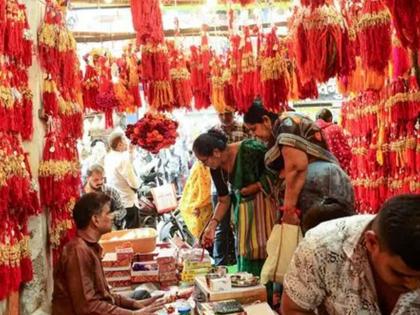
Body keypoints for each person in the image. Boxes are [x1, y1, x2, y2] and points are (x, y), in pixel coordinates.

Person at [281, 194, 420, 314]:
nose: (414, 285)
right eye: (400, 274)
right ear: (371, 242)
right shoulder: (321, 247)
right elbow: (294, 309)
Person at [52, 192, 165, 315]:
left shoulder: (90, 247)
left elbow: (104, 295)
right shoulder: (78, 251)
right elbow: (88, 307)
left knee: (142, 295)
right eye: (108, 213)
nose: (113, 217)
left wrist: (135, 304)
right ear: (95, 219)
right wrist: (133, 314)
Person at [243, 101, 354, 225]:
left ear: (265, 120)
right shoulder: (288, 121)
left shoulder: (286, 124)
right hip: (332, 177)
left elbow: (296, 167)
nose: (254, 135)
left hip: (316, 181)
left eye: (253, 129)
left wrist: (288, 210)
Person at [194, 129, 277, 276]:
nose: (205, 165)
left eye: (205, 161)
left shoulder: (251, 149)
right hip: (244, 216)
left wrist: (257, 186)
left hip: (266, 211)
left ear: (216, 152)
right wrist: (212, 225)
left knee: (268, 251)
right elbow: (224, 199)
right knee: (247, 254)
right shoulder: (216, 169)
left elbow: (277, 171)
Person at [211, 107, 251, 266]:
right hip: (220, 186)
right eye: (221, 113)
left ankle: (239, 261)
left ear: (234, 112)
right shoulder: (213, 132)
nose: (224, 117)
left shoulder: (244, 128)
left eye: (227, 113)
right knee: (221, 228)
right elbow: (223, 200)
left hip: (242, 186)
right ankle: (219, 264)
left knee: (240, 226)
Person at [104, 131, 141, 229]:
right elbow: (133, 183)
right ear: (119, 144)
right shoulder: (122, 159)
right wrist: (138, 185)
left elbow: (128, 162)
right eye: (125, 140)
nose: (127, 142)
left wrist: (131, 151)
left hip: (116, 202)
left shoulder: (108, 157)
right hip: (128, 202)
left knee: (121, 234)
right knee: (133, 234)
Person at [84, 164, 126, 229]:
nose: (100, 182)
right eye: (96, 180)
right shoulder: (80, 194)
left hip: (108, 228)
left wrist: (112, 216)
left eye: (102, 179)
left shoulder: (110, 191)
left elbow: (122, 210)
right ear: (88, 178)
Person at [316, 108, 352, 175]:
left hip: (321, 168)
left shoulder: (314, 129)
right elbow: (345, 148)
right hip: (339, 166)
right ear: (330, 118)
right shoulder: (335, 128)